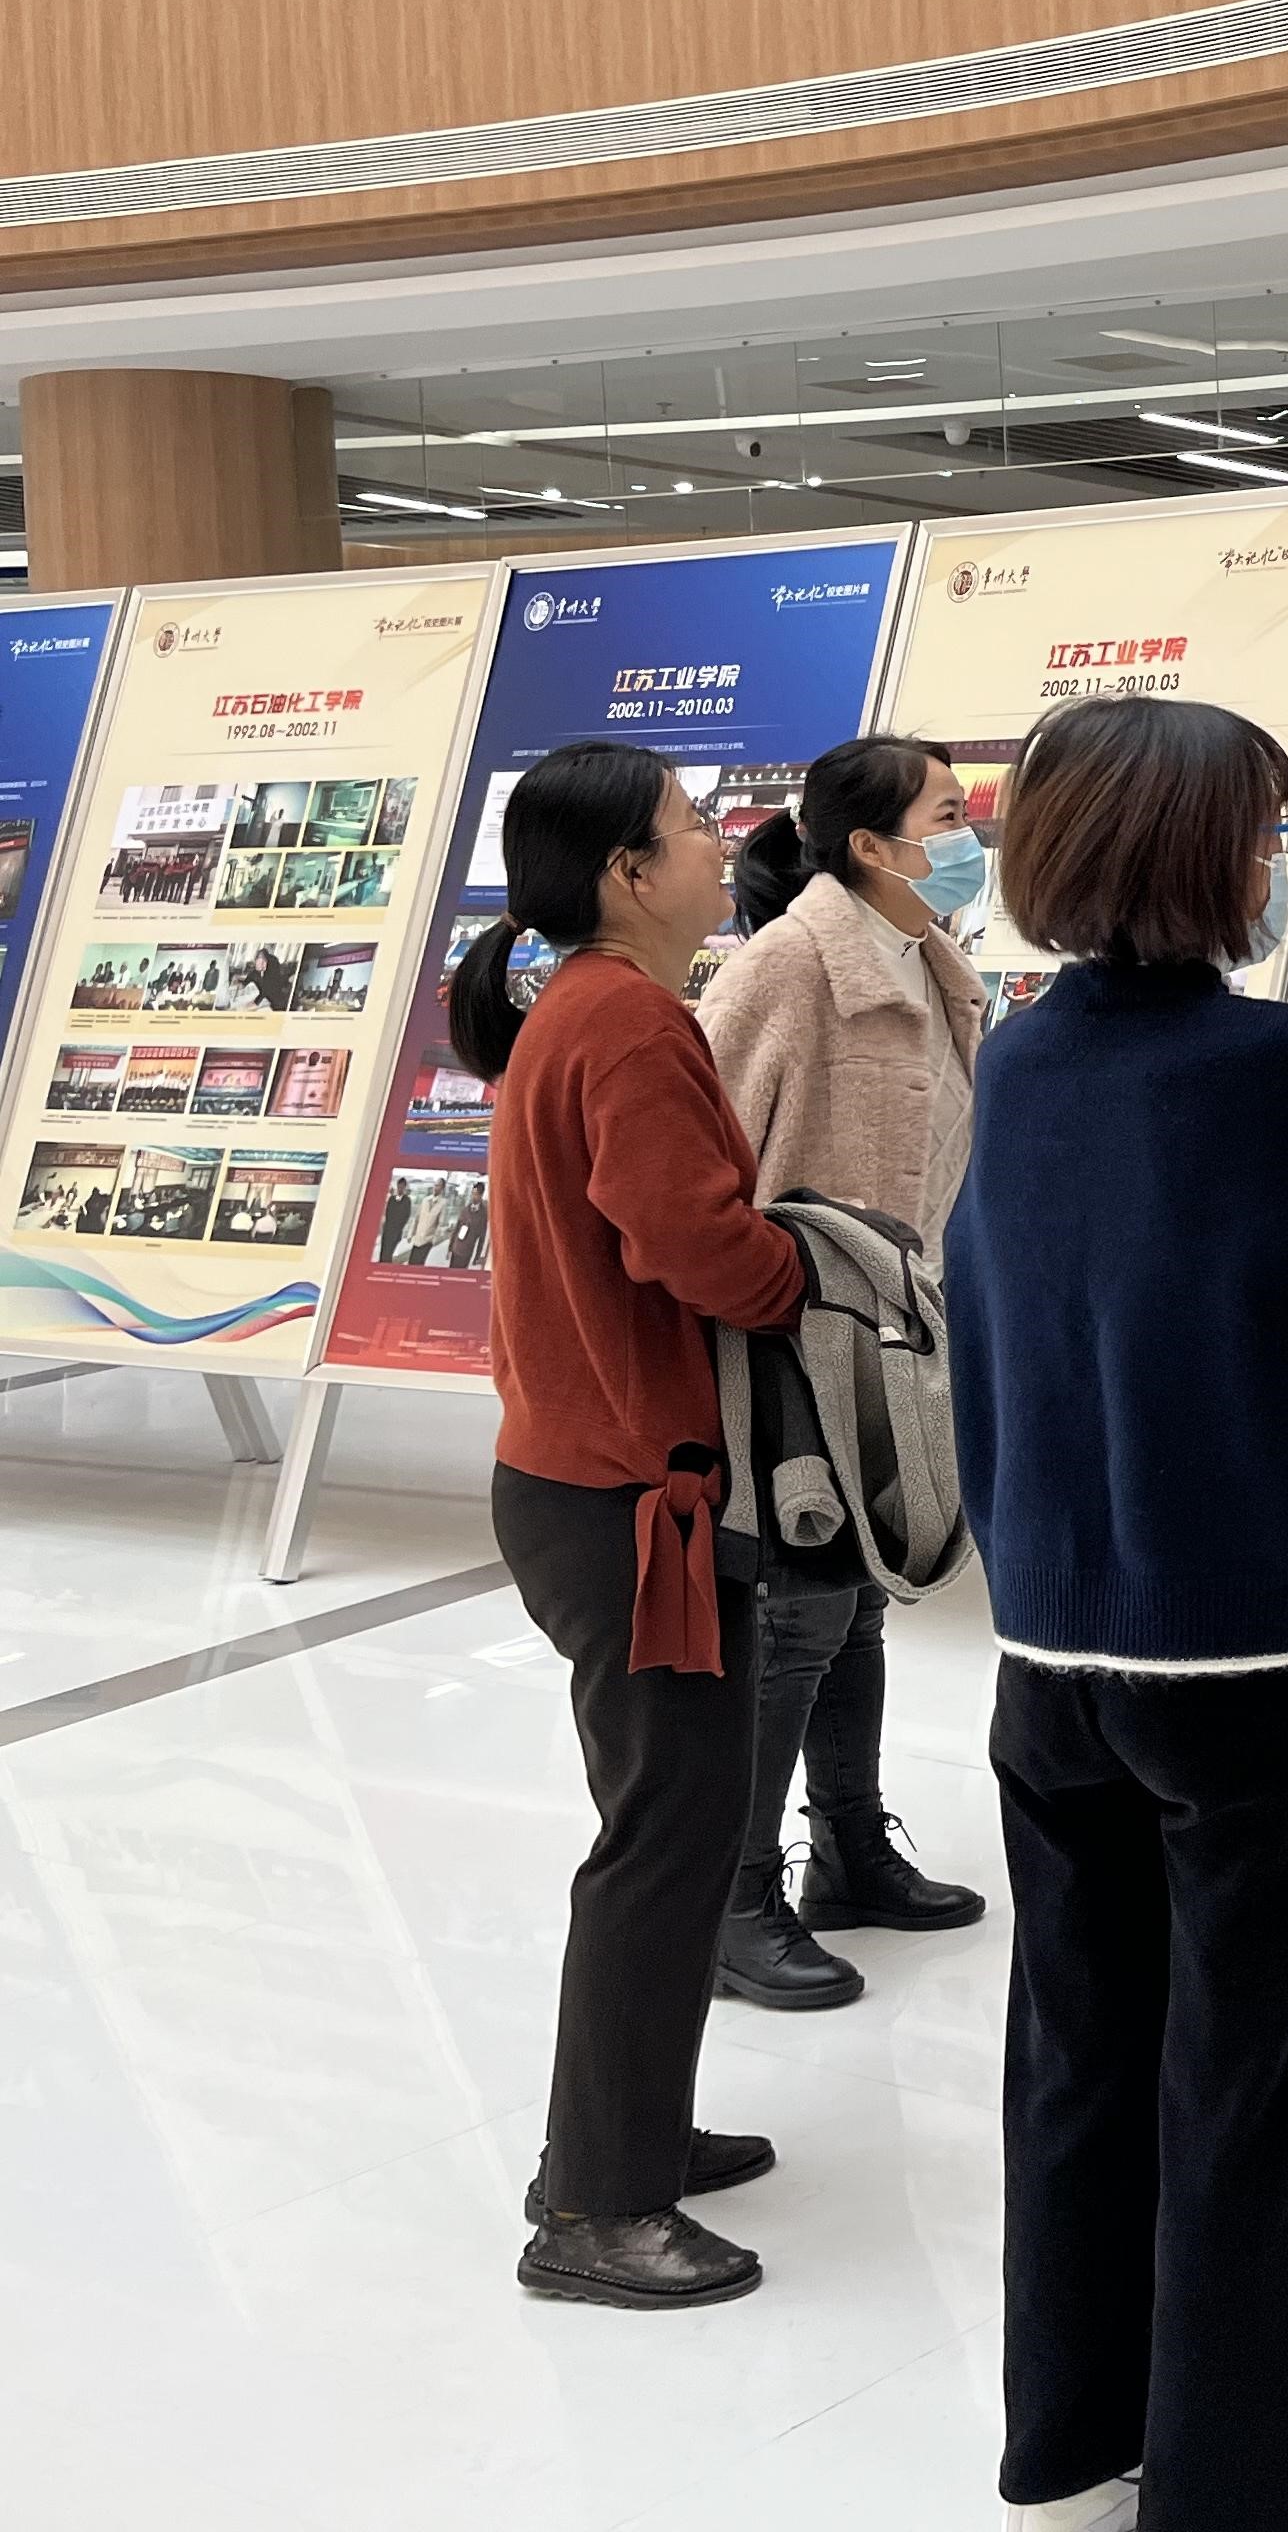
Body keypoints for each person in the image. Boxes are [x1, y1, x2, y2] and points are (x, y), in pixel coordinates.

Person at [948, 696, 1288, 2532]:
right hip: (1259, 1647)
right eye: (1263, 829)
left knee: (1077, 2053)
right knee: (1254, 2080)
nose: (1272, 858)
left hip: (1052, 1641)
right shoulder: (1279, 1065)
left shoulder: (1019, 1056)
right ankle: (1232, 2490)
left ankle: (1068, 2451)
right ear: (1208, 854)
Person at [464, 742, 810, 2312]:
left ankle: (628, 2129)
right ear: (626, 872)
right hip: (629, 1504)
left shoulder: (585, 1008)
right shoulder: (625, 1019)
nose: (717, 844)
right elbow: (694, 1244)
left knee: (670, 1822)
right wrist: (812, 1274)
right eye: (689, 827)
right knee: (665, 1839)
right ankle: (595, 2210)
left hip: (588, 1483)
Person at [694, 736, 992, 2012]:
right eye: (949, 814)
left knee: (859, 1595)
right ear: (871, 844)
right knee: (798, 1609)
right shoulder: (787, 964)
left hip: (893, 1334)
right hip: (792, 1337)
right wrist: (773, 1297)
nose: (971, 836)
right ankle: (733, 1896)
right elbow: (701, 1155)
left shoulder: (933, 961)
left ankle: (852, 1850)